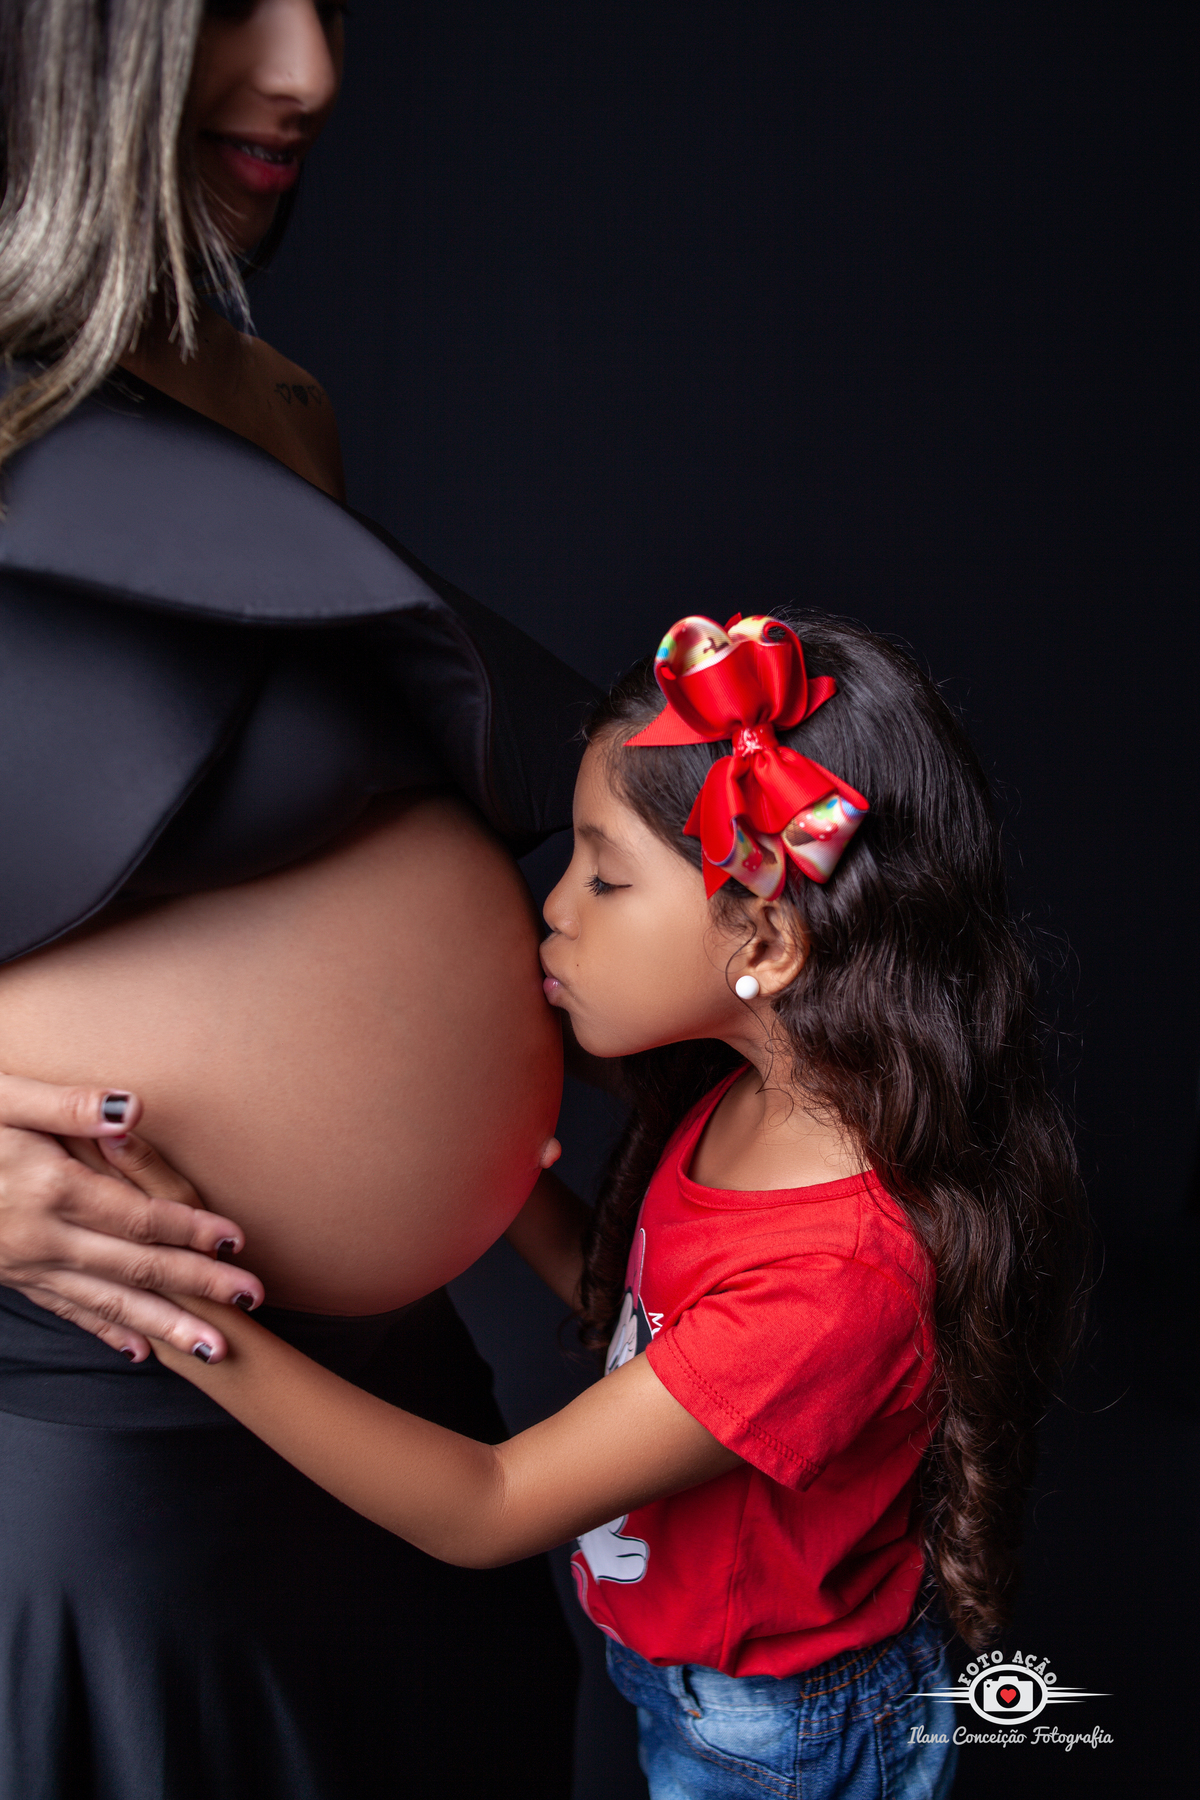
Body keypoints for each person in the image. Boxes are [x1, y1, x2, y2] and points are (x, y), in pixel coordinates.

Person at [131, 613, 1085, 1800]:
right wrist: (490, 1158)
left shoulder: (839, 1274)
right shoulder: (750, 1105)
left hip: (778, 1733)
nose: (556, 908)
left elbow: (489, 1506)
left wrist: (173, 1311)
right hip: (683, 1675)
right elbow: (648, 1314)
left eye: (607, 874)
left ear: (768, 937)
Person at [0, 2, 589, 1794]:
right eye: (226, 8)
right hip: (87, 1450)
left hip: (406, 1425)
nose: (312, 71)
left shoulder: (269, 405)